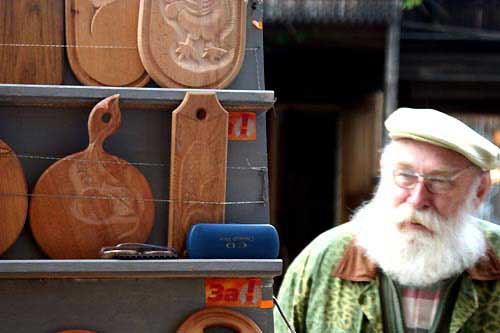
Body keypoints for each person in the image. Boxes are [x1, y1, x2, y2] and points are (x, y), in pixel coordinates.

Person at [274, 108, 500, 333]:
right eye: (405, 175)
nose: (417, 199)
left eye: (440, 181)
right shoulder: (324, 260)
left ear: (479, 191)